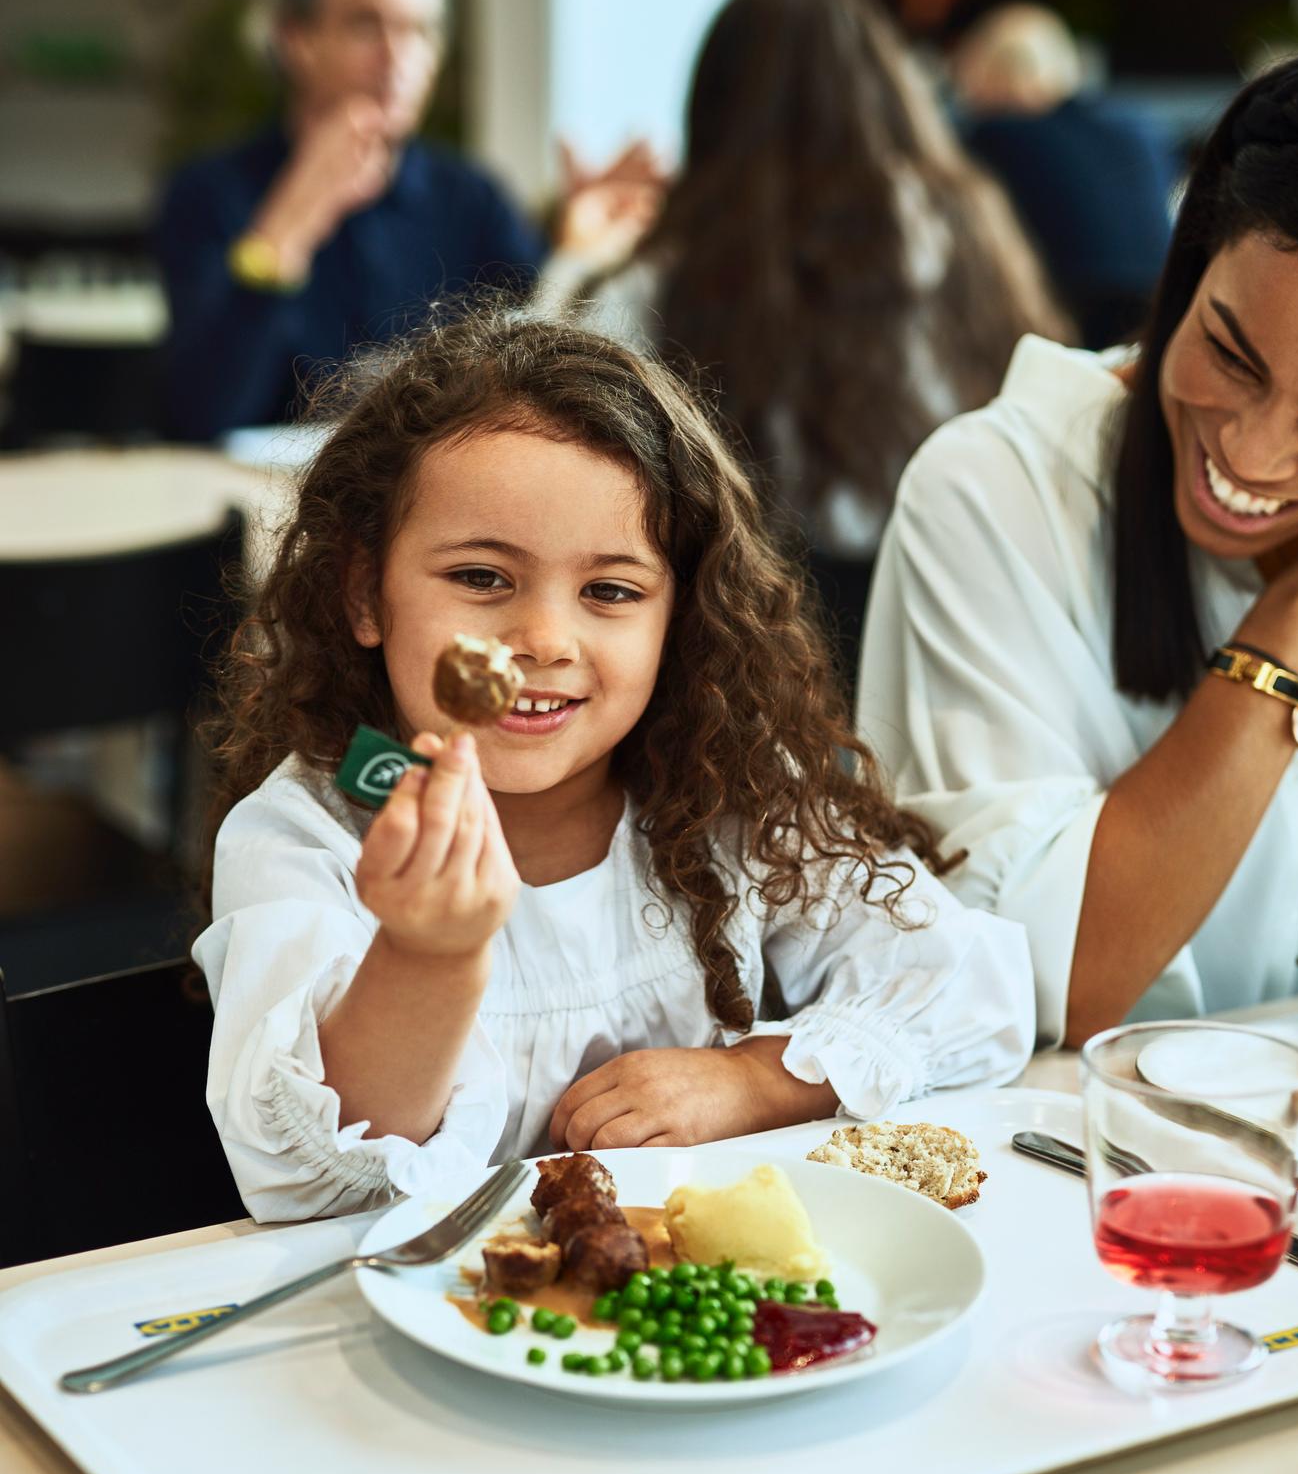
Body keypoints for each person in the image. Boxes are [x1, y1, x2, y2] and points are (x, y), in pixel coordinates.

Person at [193, 308, 1034, 1221]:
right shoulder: (303, 838)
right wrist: (427, 955)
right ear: (365, 593)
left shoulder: (724, 790)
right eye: (481, 578)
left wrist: (752, 1084)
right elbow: (306, 1180)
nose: (544, 640)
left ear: (681, 620)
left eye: (610, 592)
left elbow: (972, 991)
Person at [856, 38, 1298, 1049]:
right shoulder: (996, 489)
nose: (1248, 449)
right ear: (1188, 273)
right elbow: (1069, 978)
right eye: (1227, 354)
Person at [546, 0, 1068, 696]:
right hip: (957, 635)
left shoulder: (679, 272)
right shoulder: (964, 237)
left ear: (716, 108)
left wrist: (578, 252)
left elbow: (550, 406)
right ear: (884, 90)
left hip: (740, 660)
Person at [154, 0, 655, 442]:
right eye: (366, 25)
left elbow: (543, 367)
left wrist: (581, 253)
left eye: (420, 30)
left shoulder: (469, 198)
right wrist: (286, 228)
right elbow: (200, 414)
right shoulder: (212, 194)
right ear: (295, 39)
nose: (398, 59)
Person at [953, 4, 1176, 351]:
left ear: (985, 73)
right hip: (1161, 319)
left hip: (1066, 330)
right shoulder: (1138, 126)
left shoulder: (995, 137)